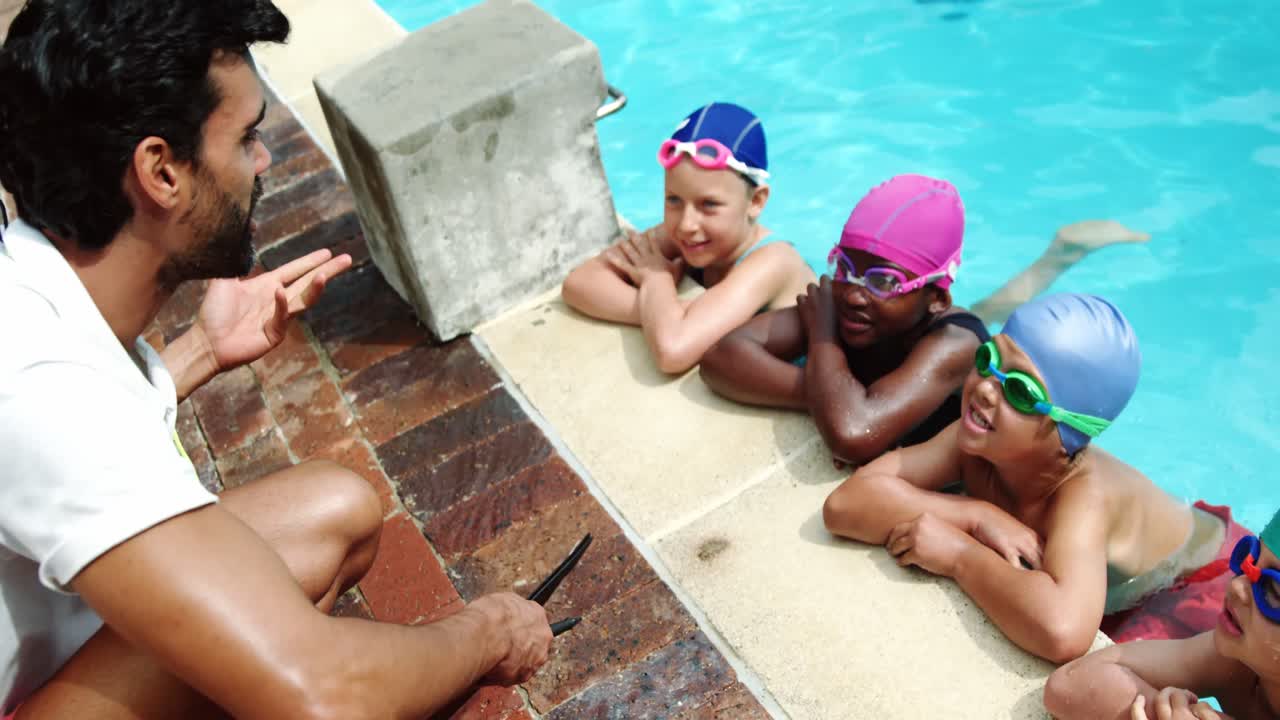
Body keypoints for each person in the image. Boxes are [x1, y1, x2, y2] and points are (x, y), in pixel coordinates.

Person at [0, 2, 551, 718]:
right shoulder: (42, 389)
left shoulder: (33, 294)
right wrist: (487, 633)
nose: (264, 161)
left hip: (53, 651)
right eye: (248, 137)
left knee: (334, 513)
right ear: (161, 171)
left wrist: (198, 351)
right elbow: (326, 698)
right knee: (300, 676)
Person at [821, 293, 1239, 663]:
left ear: (1067, 433)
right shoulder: (975, 445)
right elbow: (846, 505)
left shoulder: (1082, 496)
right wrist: (974, 514)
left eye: (1020, 392)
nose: (987, 388)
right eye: (988, 359)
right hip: (1109, 578)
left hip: (1199, 582)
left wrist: (959, 556)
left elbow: (1063, 632)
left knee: (1109, 682)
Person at [699, 170, 1149, 466]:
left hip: (949, 339)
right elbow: (721, 358)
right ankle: (1061, 250)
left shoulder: (953, 342)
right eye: (845, 266)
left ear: (935, 295)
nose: (855, 291)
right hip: (913, 323)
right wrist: (831, 394)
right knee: (986, 311)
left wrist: (823, 348)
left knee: (980, 322)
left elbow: (854, 432)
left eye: (885, 280)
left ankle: (1060, 256)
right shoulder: (848, 299)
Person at [561, 101, 817, 374]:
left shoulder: (775, 261)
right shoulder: (691, 236)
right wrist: (664, 312)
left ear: (755, 201)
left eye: (709, 204)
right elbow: (579, 283)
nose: (686, 224)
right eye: (673, 200)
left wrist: (656, 280)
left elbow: (673, 350)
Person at [1043, 508, 1280, 720]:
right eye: (1250, 557)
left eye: (1275, 590)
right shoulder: (1238, 664)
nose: (1237, 586)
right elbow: (1070, 685)